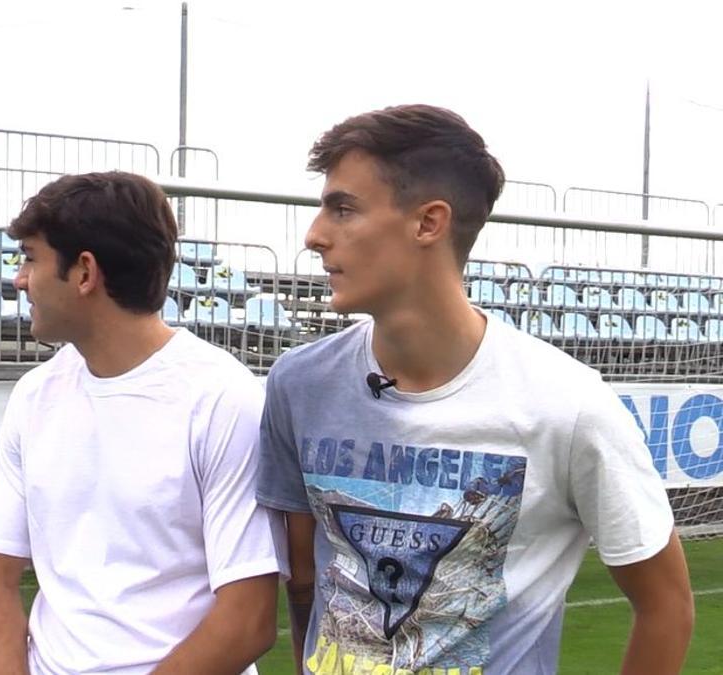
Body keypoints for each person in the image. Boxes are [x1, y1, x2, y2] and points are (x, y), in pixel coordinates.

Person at [257, 104, 695, 675]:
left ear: (428, 223)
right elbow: (306, 578)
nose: (315, 235)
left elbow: (666, 605)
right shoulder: (300, 383)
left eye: (343, 208)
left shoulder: (567, 407)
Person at [0, 171, 283, 674]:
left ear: (85, 272)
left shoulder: (223, 399)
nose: (18, 278)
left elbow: (248, 617)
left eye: (30, 257)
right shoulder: (34, 397)